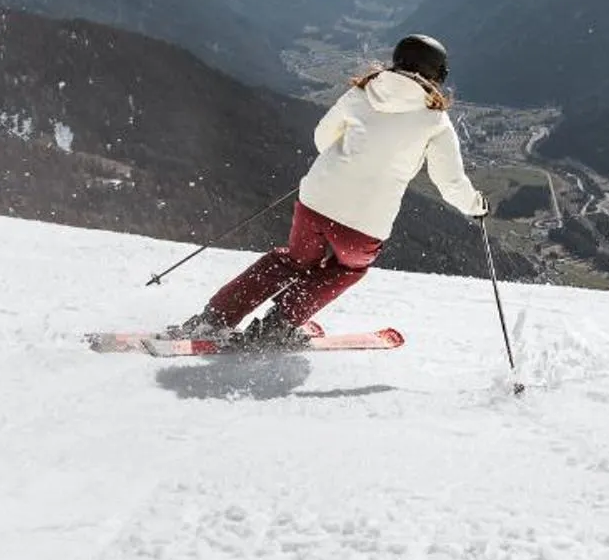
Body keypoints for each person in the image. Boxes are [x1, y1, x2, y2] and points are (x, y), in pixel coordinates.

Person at [167, 33, 488, 350]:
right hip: (365, 224)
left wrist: (343, 163)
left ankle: (214, 319)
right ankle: (278, 325)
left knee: (292, 261)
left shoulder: (363, 93)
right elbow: (450, 184)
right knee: (348, 268)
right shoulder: (435, 122)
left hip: (315, 203)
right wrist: (476, 206)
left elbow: (323, 138)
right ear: (437, 75)